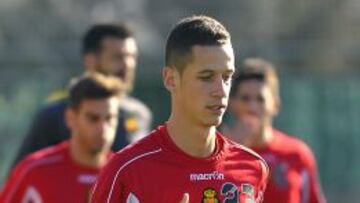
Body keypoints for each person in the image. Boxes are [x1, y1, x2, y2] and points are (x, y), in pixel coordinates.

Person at [90, 15, 269, 203]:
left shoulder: (253, 167)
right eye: (206, 77)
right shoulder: (126, 171)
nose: (221, 90)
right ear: (171, 79)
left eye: (227, 77)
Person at [13, 23, 152, 166]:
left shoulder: (138, 113)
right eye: (117, 57)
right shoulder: (55, 115)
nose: (128, 65)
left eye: (132, 57)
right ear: (90, 61)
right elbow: (24, 173)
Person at [0, 73, 126, 203]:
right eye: (93, 118)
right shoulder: (34, 171)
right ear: (70, 118)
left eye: (110, 118)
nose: (103, 128)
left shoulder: (125, 175)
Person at [223, 58, 326, 203]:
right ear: (232, 104)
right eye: (245, 99)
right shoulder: (218, 153)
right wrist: (233, 152)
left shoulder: (297, 154)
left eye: (260, 99)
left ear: (275, 104)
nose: (252, 107)